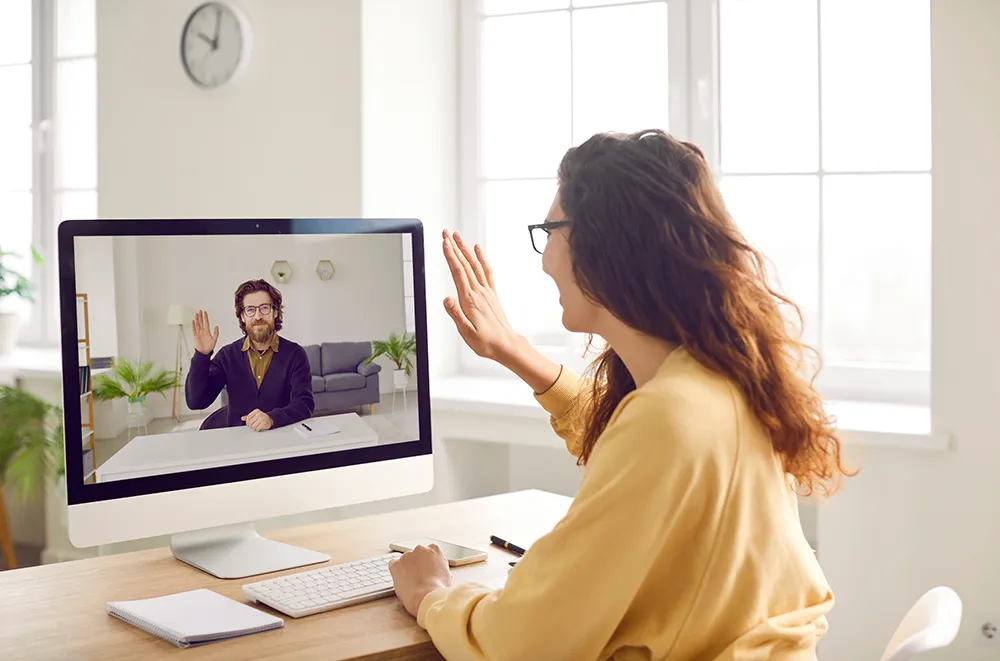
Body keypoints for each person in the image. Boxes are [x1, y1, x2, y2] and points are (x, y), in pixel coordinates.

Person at [388, 129, 855, 660]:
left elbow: (523, 642)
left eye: (551, 230)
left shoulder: (668, 416)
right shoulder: (718, 380)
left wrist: (432, 596)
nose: (544, 260)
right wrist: (513, 351)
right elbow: (630, 435)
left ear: (606, 243)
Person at [185, 279, 314, 431]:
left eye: (264, 308)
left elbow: (305, 403)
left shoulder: (295, 354)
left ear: (275, 312)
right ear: (242, 316)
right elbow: (196, 402)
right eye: (250, 309)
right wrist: (202, 355)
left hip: (281, 439)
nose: (258, 316)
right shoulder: (227, 356)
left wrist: (272, 418)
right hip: (239, 443)